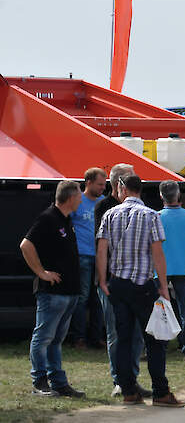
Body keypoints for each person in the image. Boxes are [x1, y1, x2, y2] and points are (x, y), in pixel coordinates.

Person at [96, 175, 184, 407]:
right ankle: (161, 392)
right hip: (142, 285)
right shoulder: (150, 215)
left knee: (123, 339)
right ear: (141, 191)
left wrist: (102, 280)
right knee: (155, 339)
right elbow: (157, 253)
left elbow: (102, 249)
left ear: (122, 189)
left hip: (117, 284)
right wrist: (163, 286)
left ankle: (128, 390)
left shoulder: (109, 214)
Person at [22, 180, 85, 398]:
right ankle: (39, 381)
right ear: (69, 197)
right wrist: (41, 272)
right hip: (52, 292)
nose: (81, 199)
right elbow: (26, 245)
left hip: (69, 291)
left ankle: (58, 382)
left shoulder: (66, 220)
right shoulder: (48, 218)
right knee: (43, 337)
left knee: (56, 340)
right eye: (79, 195)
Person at [94, 163, 147, 397]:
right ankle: (119, 380)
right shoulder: (104, 208)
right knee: (116, 331)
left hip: (135, 279)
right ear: (118, 185)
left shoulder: (141, 209)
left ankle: (131, 379)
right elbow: (101, 247)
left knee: (136, 332)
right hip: (113, 280)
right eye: (130, 180)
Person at [157, 180, 185, 362]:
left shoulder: (156, 216)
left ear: (161, 196)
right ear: (178, 195)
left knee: (160, 307)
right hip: (182, 267)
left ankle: (160, 345)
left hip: (162, 268)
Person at [67, 168, 106, 349]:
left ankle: (96, 337)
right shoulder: (77, 201)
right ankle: (79, 337)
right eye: (99, 184)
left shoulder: (103, 202)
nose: (102, 188)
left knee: (98, 298)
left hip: (99, 256)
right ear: (88, 182)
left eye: (104, 185)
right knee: (82, 298)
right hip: (82, 255)